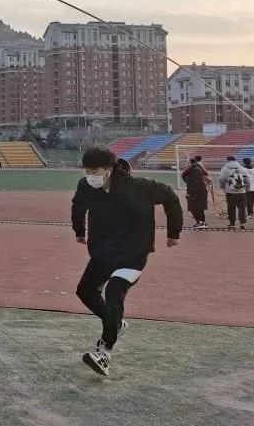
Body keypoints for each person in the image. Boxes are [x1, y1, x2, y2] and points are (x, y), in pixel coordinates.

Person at [71, 147, 182, 376]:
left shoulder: (139, 186)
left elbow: (170, 196)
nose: (90, 176)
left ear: (109, 169)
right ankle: (116, 324)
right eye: (86, 171)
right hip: (102, 252)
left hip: (132, 253)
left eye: (95, 171)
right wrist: (79, 230)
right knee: (85, 292)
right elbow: (78, 205)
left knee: (114, 291)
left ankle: (104, 352)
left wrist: (174, 232)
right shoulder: (86, 186)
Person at [218, 156, 249, 230]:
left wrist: (223, 187)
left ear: (228, 160)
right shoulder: (241, 168)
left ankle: (232, 224)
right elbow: (247, 179)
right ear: (235, 160)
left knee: (231, 208)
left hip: (230, 192)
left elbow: (221, 179)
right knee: (242, 208)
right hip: (241, 191)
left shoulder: (225, 168)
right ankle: (242, 224)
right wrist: (247, 188)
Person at [181, 155, 211, 228]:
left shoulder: (192, 171)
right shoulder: (199, 167)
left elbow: (190, 181)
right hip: (202, 190)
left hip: (195, 191)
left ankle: (199, 222)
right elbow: (206, 175)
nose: (186, 165)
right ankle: (202, 222)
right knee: (199, 207)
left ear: (191, 163)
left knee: (193, 207)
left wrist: (189, 193)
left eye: (188, 163)